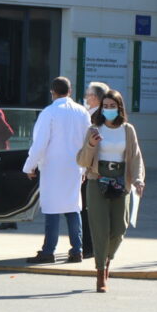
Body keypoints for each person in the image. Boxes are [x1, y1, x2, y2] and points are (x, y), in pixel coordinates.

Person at [77, 89, 144, 292]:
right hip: (97, 180)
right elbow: (82, 160)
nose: (108, 110)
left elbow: (136, 157)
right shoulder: (94, 129)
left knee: (120, 228)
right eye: (105, 106)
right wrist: (91, 144)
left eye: (112, 106)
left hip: (120, 181)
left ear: (119, 107)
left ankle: (107, 259)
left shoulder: (128, 130)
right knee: (100, 228)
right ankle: (100, 272)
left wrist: (138, 179)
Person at [23, 76, 91, 264]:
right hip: (75, 166)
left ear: (52, 92)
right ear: (70, 91)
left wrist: (30, 165)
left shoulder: (49, 112)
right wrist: (84, 168)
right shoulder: (82, 112)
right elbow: (88, 142)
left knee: (52, 209)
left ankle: (48, 251)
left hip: (53, 167)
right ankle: (77, 250)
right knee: (73, 208)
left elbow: (40, 143)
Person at [79, 81, 110, 259]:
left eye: (88, 95)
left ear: (96, 98)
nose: (86, 98)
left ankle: (89, 247)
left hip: (91, 170)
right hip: (97, 169)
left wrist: (83, 169)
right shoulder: (98, 115)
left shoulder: (94, 117)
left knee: (87, 209)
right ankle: (93, 246)